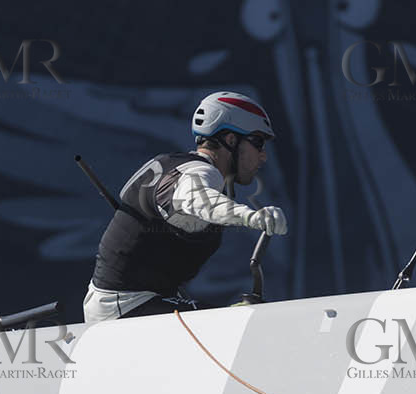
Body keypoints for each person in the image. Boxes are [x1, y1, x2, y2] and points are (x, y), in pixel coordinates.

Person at [83, 91, 289, 324]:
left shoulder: (175, 164)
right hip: (127, 307)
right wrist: (251, 216)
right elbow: (197, 200)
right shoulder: (200, 172)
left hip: (127, 305)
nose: (262, 157)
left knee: (239, 319)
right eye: (258, 143)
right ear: (231, 140)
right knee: (242, 323)